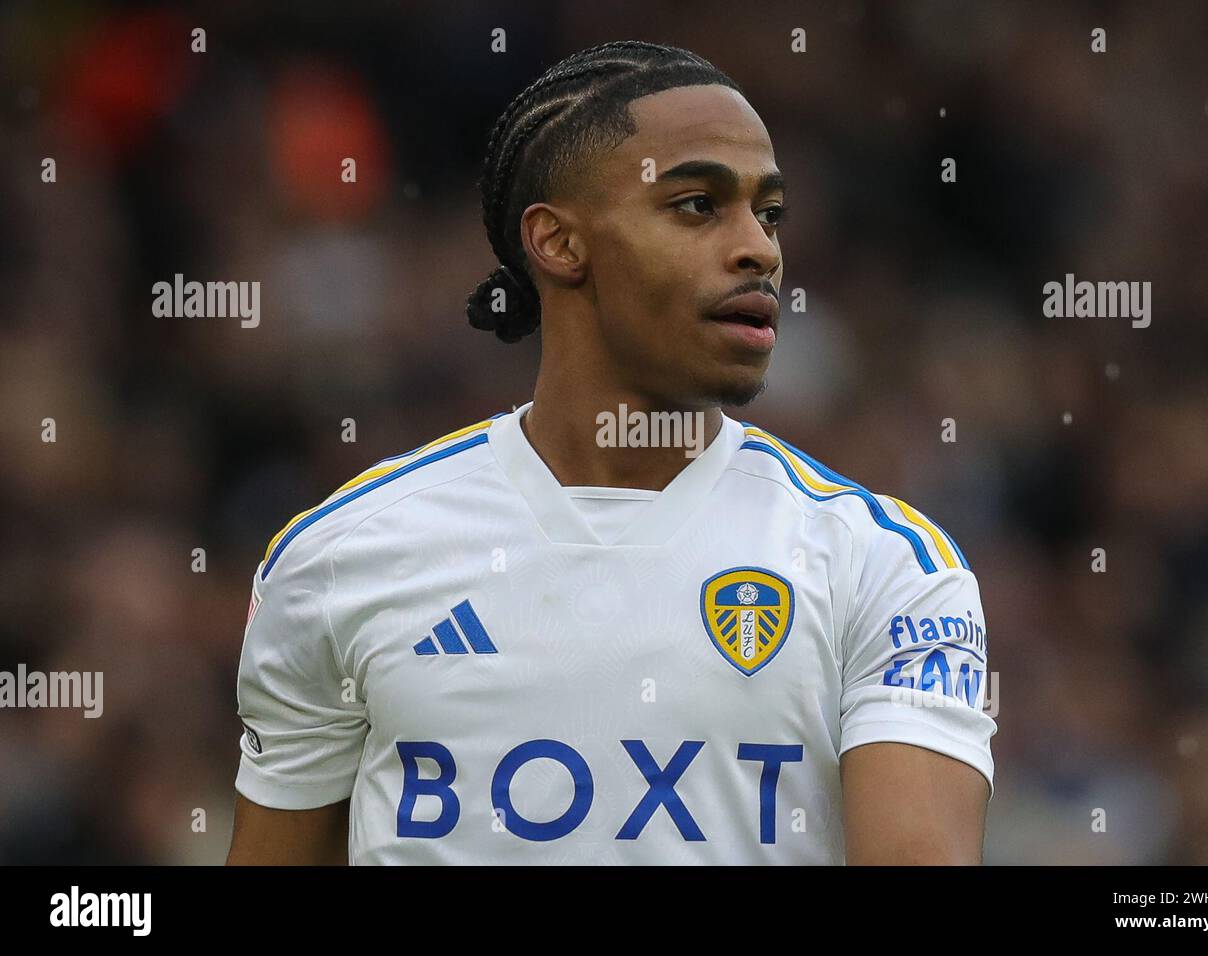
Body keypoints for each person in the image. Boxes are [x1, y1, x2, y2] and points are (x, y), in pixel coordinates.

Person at [226, 40, 995, 865]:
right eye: (698, 205)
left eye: (768, 214)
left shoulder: (886, 570)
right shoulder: (342, 558)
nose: (760, 249)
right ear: (558, 242)